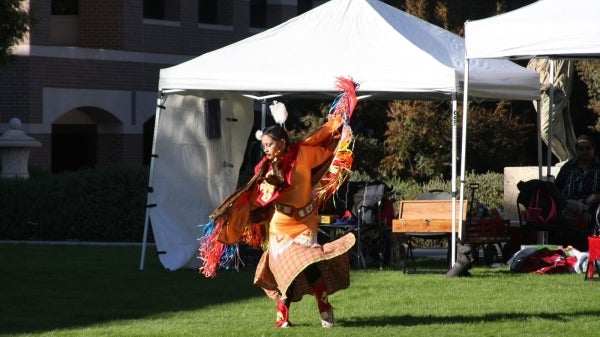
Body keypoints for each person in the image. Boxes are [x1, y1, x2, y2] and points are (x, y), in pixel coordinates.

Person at [198, 77, 358, 328]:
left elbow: (328, 147)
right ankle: (282, 317)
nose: (266, 150)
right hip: (281, 224)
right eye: (263, 146)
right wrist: (271, 183)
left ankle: (325, 310)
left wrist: (341, 127)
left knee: (308, 265)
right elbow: (259, 196)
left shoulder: (305, 152)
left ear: (282, 143)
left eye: (270, 145)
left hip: (305, 221)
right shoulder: (265, 169)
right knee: (286, 268)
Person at [554, 134, 600, 226]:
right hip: (568, 206)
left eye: (588, 148)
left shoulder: (598, 167)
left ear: (593, 149)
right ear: (576, 151)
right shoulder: (569, 166)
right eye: (581, 149)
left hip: (593, 209)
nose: (584, 151)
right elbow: (557, 187)